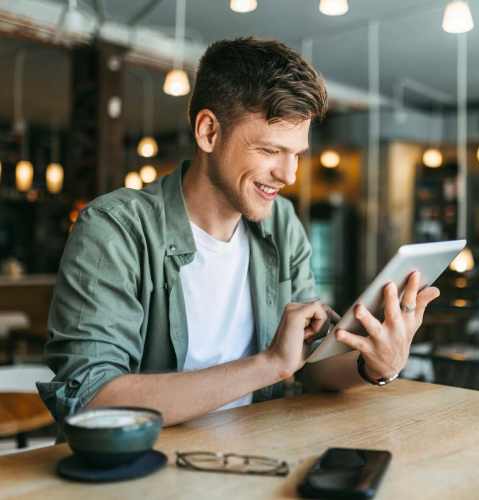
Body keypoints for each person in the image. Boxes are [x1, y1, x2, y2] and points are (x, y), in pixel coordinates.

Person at [38, 37, 439, 428]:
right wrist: (268, 365)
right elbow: (91, 398)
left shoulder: (282, 225)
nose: (288, 175)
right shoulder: (114, 229)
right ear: (209, 132)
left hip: (256, 463)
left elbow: (309, 367)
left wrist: (373, 365)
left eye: (297, 154)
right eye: (269, 151)